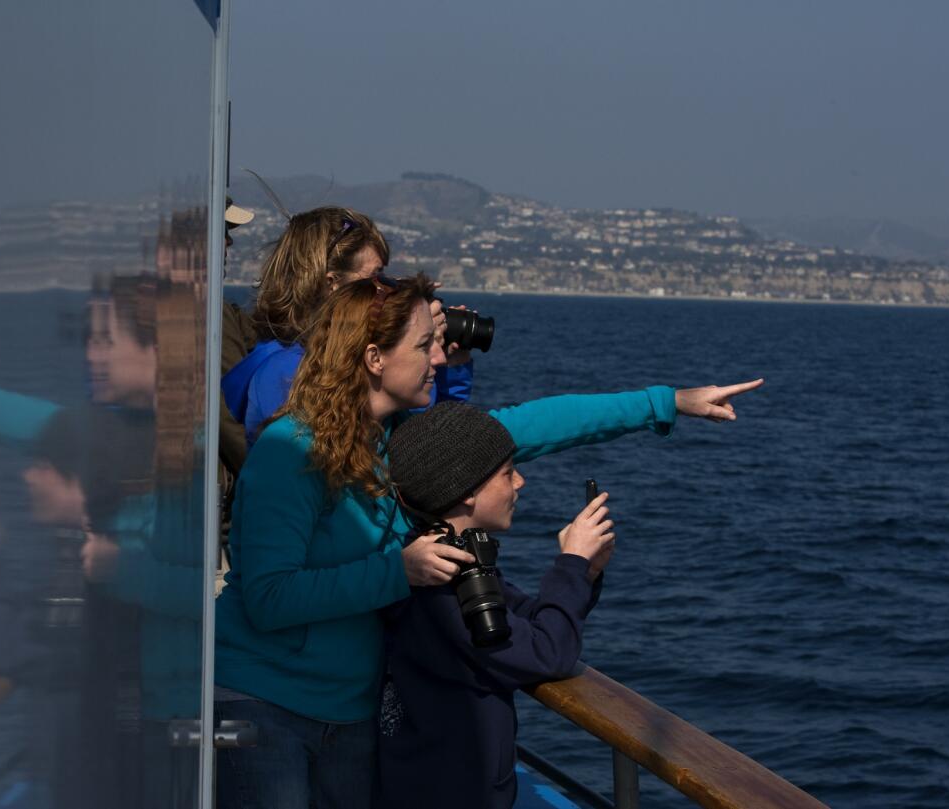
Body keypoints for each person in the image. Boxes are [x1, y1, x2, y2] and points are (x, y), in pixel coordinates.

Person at [213, 271, 763, 809]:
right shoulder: (291, 453)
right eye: (424, 344)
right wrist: (397, 572)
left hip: (350, 709)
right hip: (266, 704)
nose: (438, 358)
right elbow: (269, 598)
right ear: (374, 358)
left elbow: (534, 424)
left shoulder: (397, 439)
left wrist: (665, 403)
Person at [378, 402, 614, 809]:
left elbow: (523, 613)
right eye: (508, 473)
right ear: (466, 491)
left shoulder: (437, 556)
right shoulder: (449, 581)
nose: (520, 482)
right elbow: (547, 653)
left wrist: (585, 574)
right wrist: (571, 563)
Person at [221, 207, 472, 447]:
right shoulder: (287, 372)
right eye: (375, 278)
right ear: (331, 283)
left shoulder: (319, 359)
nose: (385, 289)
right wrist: (421, 342)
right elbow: (409, 451)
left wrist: (446, 365)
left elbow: (439, 450)